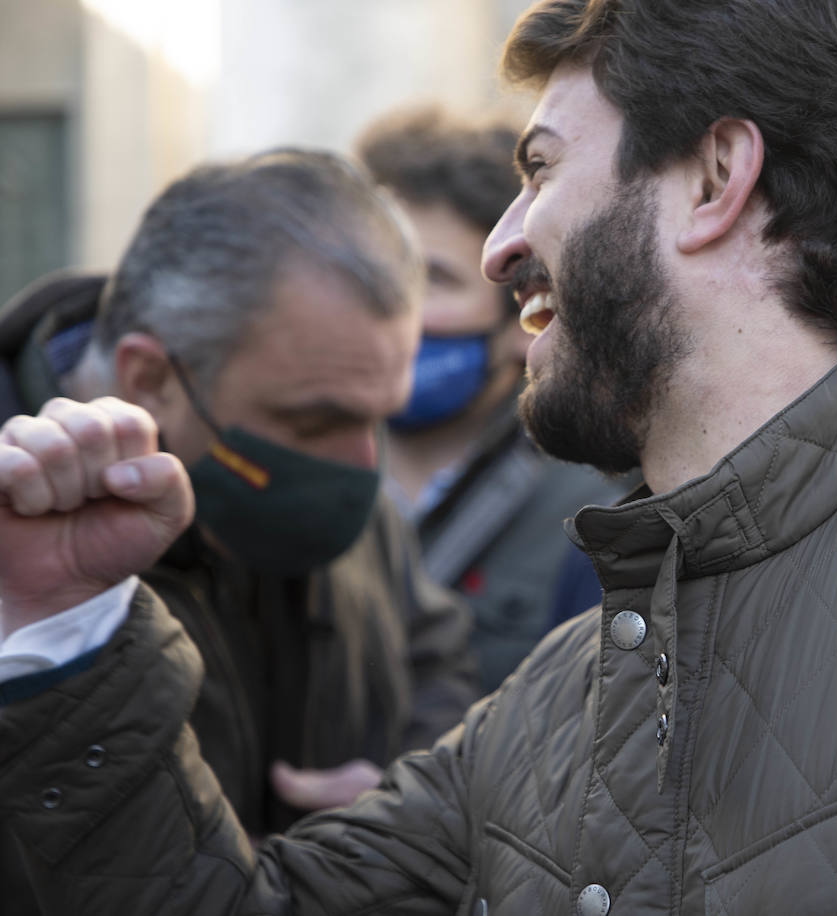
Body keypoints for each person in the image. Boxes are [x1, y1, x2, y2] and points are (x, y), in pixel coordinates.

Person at [3, 2, 837, 912]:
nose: (499, 245)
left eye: (542, 167)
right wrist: (66, 631)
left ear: (717, 180)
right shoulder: (541, 713)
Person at [0, 149, 480, 900]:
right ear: (149, 378)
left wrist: (406, 802)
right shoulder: (16, 532)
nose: (363, 467)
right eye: (317, 420)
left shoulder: (347, 495)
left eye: (383, 418)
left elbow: (433, 655)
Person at [356, 107, 624, 693]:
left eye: (431, 279)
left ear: (520, 319)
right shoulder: (300, 472)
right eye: (374, 273)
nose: (390, 309)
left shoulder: (596, 519)